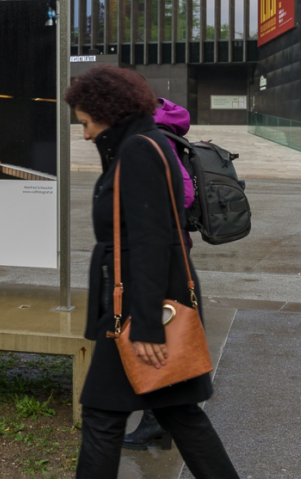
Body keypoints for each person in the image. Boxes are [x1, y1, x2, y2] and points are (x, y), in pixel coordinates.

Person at [65, 66, 239, 479]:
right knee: (180, 414)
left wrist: (145, 327)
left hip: (138, 307)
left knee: (102, 417)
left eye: (87, 123)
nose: (86, 134)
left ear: (108, 112)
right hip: (145, 301)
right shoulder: (145, 143)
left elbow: (150, 242)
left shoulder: (138, 150)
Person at [123, 97, 196, 451]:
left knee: (162, 333)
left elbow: (184, 193)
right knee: (163, 335)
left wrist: (146, 208)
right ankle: (160, 420)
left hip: (165, 250)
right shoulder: (156, 132)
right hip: (167, 246)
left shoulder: (155, 138)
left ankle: (158, 421)